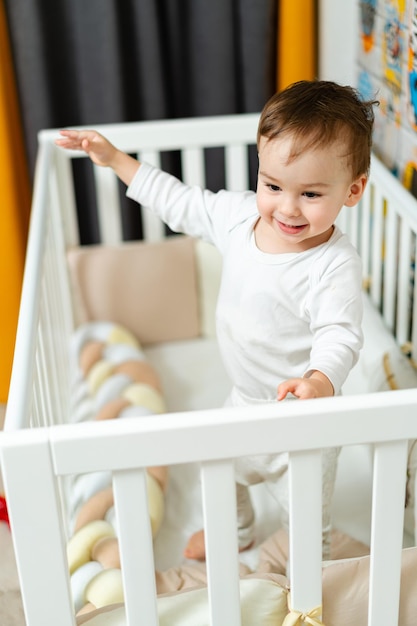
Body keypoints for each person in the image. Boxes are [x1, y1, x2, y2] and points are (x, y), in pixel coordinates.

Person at [56, 80, 377, 562]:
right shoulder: (239, 217)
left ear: (353, 190)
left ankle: (312, 576)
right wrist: (116, 160)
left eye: (310, 193)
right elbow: (179, 201)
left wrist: (319, 380)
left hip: (301, 420)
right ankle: (239, 533)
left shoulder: (333, 264)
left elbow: (340, 334)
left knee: (308, 520)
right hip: (244, 400)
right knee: (219, 468)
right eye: (272, 186)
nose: (286, 208)